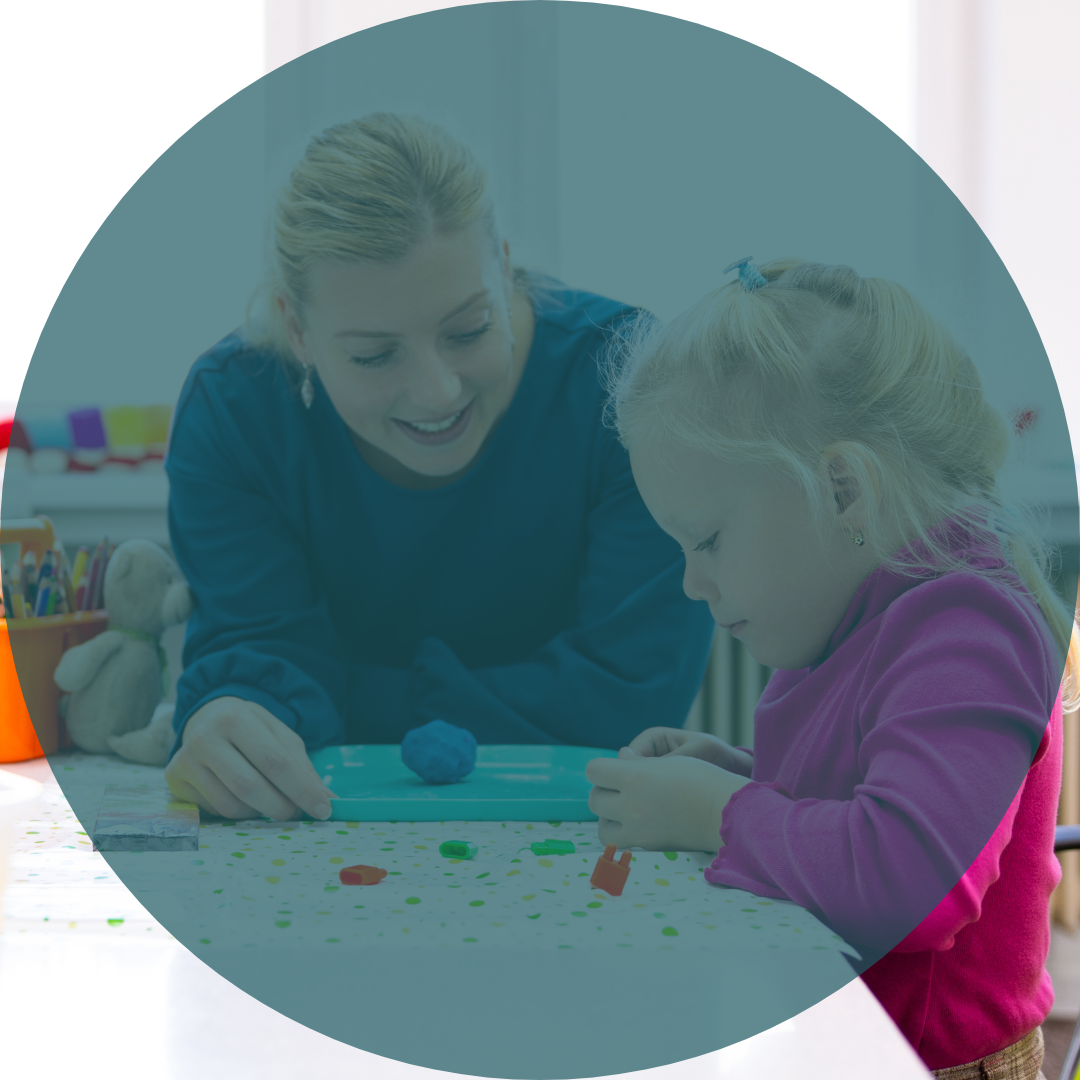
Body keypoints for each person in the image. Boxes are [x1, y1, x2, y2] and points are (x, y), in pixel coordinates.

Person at [588, 257, 1074, 1078]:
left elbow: (912, 880)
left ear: (843, 489)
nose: (690, 583)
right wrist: (736, 773)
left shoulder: (970, 625)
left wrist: (722, 813)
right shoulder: (857, 601)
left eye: (707, 540)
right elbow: (872, 790)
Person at [162, 113, 714, 825]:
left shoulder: (631, 382)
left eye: (469, 329)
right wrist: (232, 718)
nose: (438, 392)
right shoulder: (235, 411)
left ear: (505, 267)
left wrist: (334, 701)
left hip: (585, 828)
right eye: (373, 355)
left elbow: (628, 698)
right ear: (296, 329)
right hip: (327, 835)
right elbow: (257, 665)